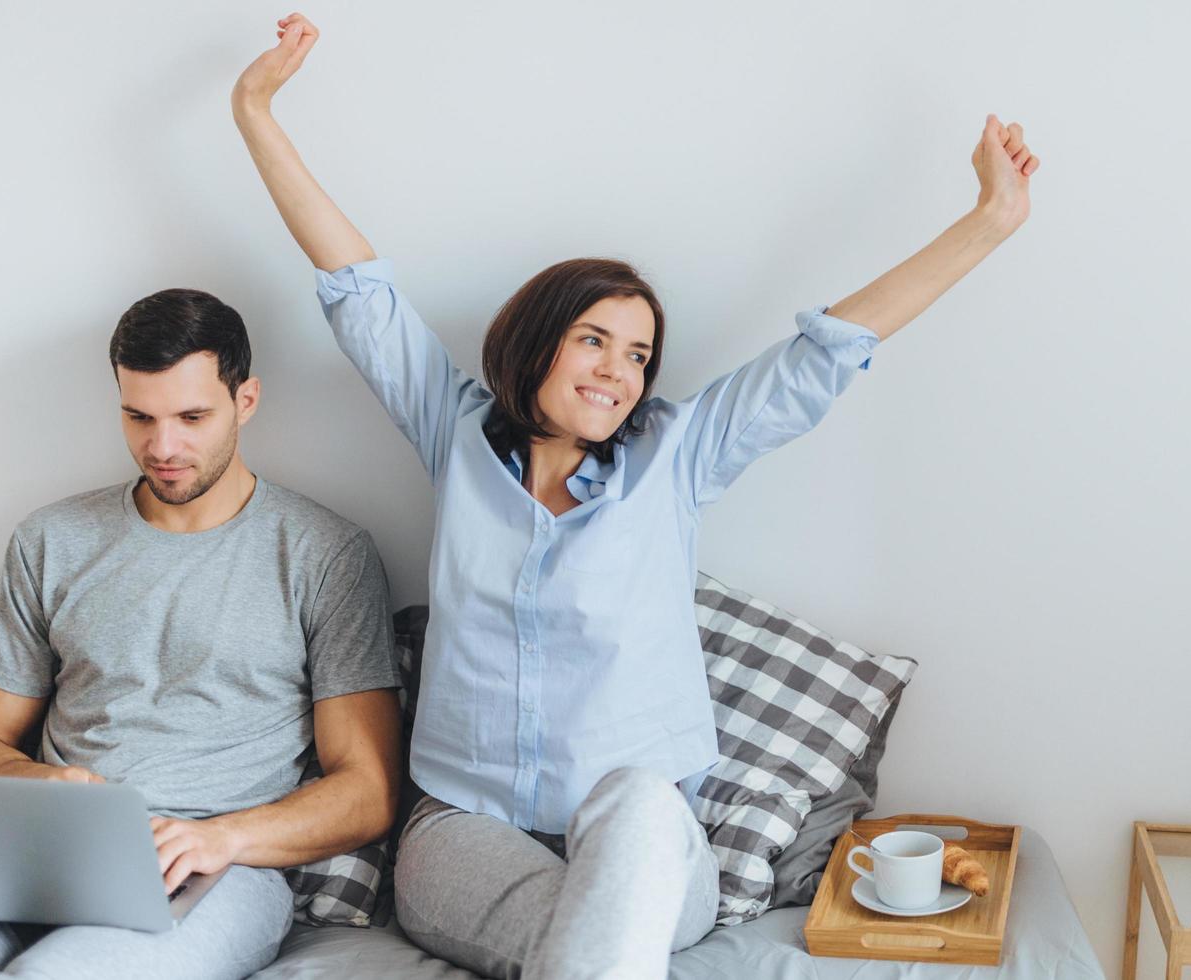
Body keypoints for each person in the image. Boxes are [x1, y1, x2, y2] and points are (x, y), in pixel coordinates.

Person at [233, 13, 1040, 978]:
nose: (621, 371)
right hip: (465, 832)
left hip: (647, 835)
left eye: (640, 354)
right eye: (595, 340)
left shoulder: (680, 454)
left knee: (637, 813)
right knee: (602, 942)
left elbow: (827, 353)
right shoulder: (452, 437)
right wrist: (255, 111)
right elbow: (357, 288)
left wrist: (989, 220)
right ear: (536, 342)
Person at [0, 288, 403, 979]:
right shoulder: (50, 540)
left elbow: (368, 790)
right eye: (139, 417)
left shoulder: (325, 552)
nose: (162, 447)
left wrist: (219, 839)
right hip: (48, 848)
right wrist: (45, 783)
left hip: (220, 869)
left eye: (192, 417)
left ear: (245, 401)